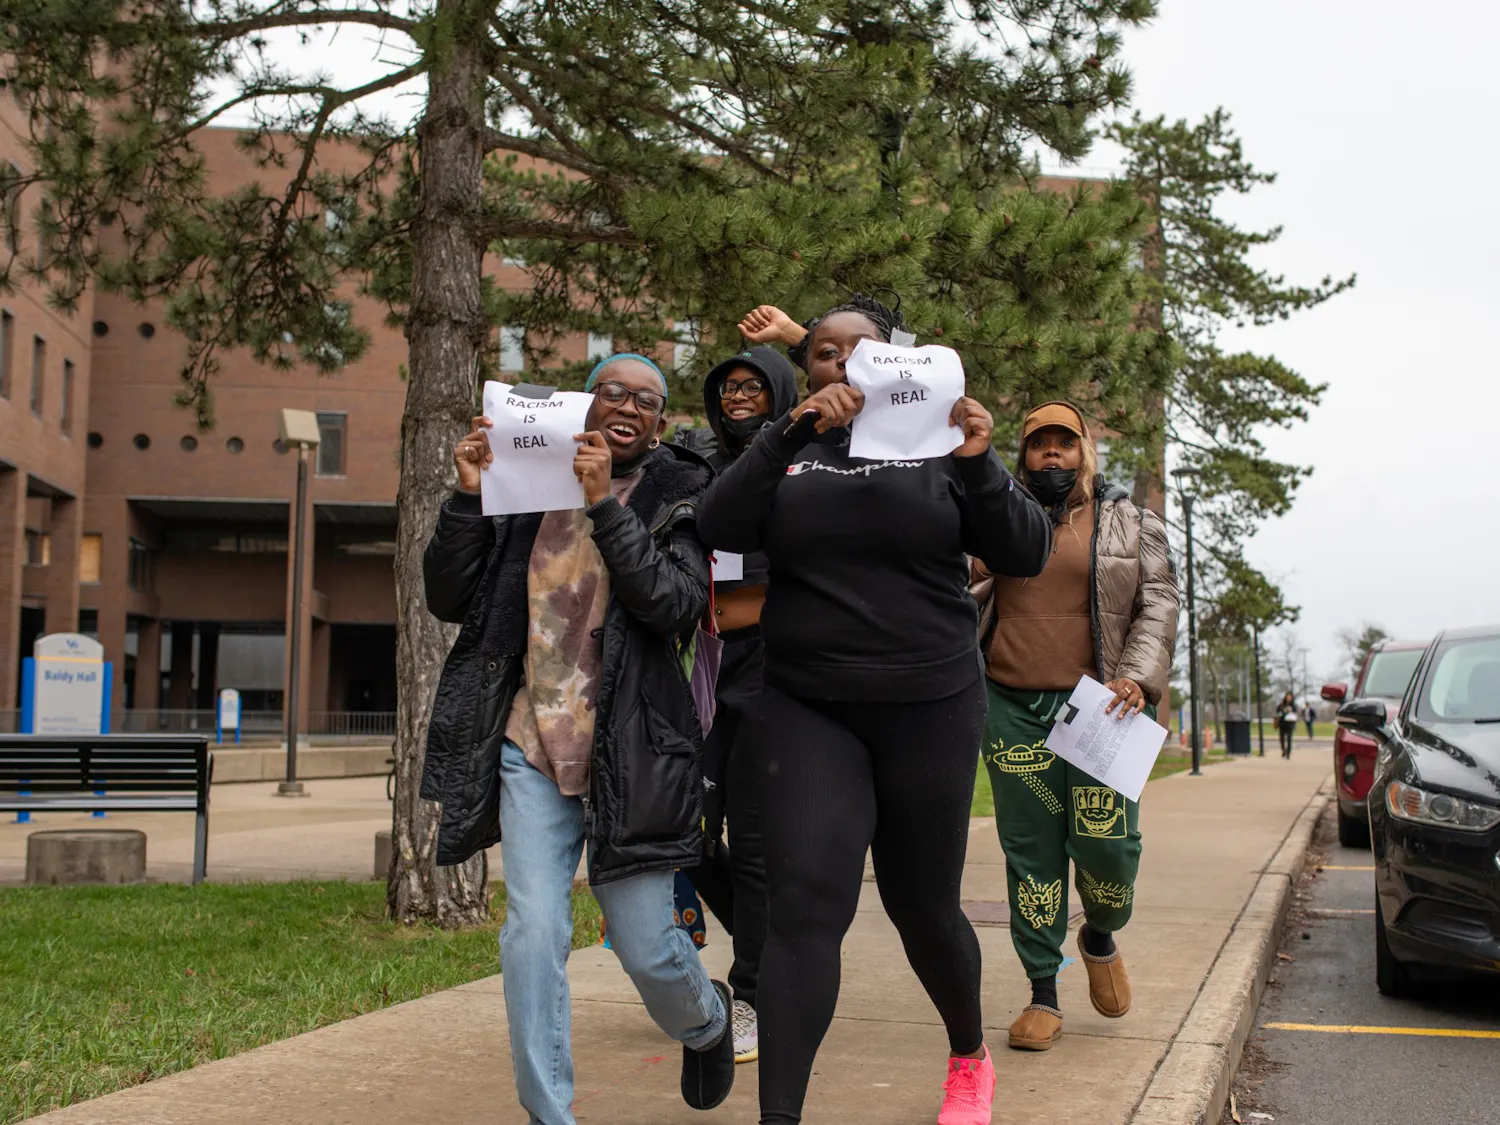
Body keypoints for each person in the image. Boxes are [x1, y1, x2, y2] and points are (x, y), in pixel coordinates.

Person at [698, 295, 1053, 1125]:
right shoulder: (787, 450)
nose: (842, 363)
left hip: (929, 705)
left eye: (861, 351)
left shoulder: (942, 450)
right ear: (809, 370)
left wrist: (978, 462)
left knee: (919, 904)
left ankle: (967, 1055)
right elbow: (719, 523)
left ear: (897, 363)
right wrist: (786, 432)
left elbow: (1025, 550)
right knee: (805, 907)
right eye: (823, 352)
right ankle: (778, 1117)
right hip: (808, 705)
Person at [420, 354, 735, 1125]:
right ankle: (548, 1112)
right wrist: (468, 495)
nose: (628, 406)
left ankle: (707, 1019)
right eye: (613, 392)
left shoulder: (684, 492)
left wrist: (605, 505)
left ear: (660, 425)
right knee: (532, 933)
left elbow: (672, 601)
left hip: (632, 750)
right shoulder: (524, 485)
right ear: (584, 406)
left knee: (647, 946)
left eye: (647, 400)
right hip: (530, 743)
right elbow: (446, 596)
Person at [972, 401, 1178, 1053]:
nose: (1051, 456)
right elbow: (955, 585)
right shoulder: (995, 517)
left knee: (1109, 847)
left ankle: (1099, 933)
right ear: (1024, 455)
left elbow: (1159, 602)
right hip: (1011, 707)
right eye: (1039, 446)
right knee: (1030, 855)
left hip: (1101, 710)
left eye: (1064, 444)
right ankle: (1043, 990)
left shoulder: (1129, 522)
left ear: (1085, 450)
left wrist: (1139, 677)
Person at [672, 345, 801, 1064]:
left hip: (770, 669)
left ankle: (749, 990)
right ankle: (766, 943)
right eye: (728, 388)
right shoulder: (697, 465)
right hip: (701, 667)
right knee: (681, 830)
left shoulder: (805, 463)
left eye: (755, 385)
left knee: (751, 847)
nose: (740, 396)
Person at [1276, 692, 1298, 758]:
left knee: (1289, 739)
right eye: (1287, 697)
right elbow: (1277, 711)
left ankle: (1288, 753)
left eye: (1290, 697)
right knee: (1281, 739)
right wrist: (1283, 710)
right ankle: (1283, 750)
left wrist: (1290, 710)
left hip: (1290, 724)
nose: (1288, 698)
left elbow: (1295, 712)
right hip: (1282, 723)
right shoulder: (1282, 704)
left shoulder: (1293, 705)